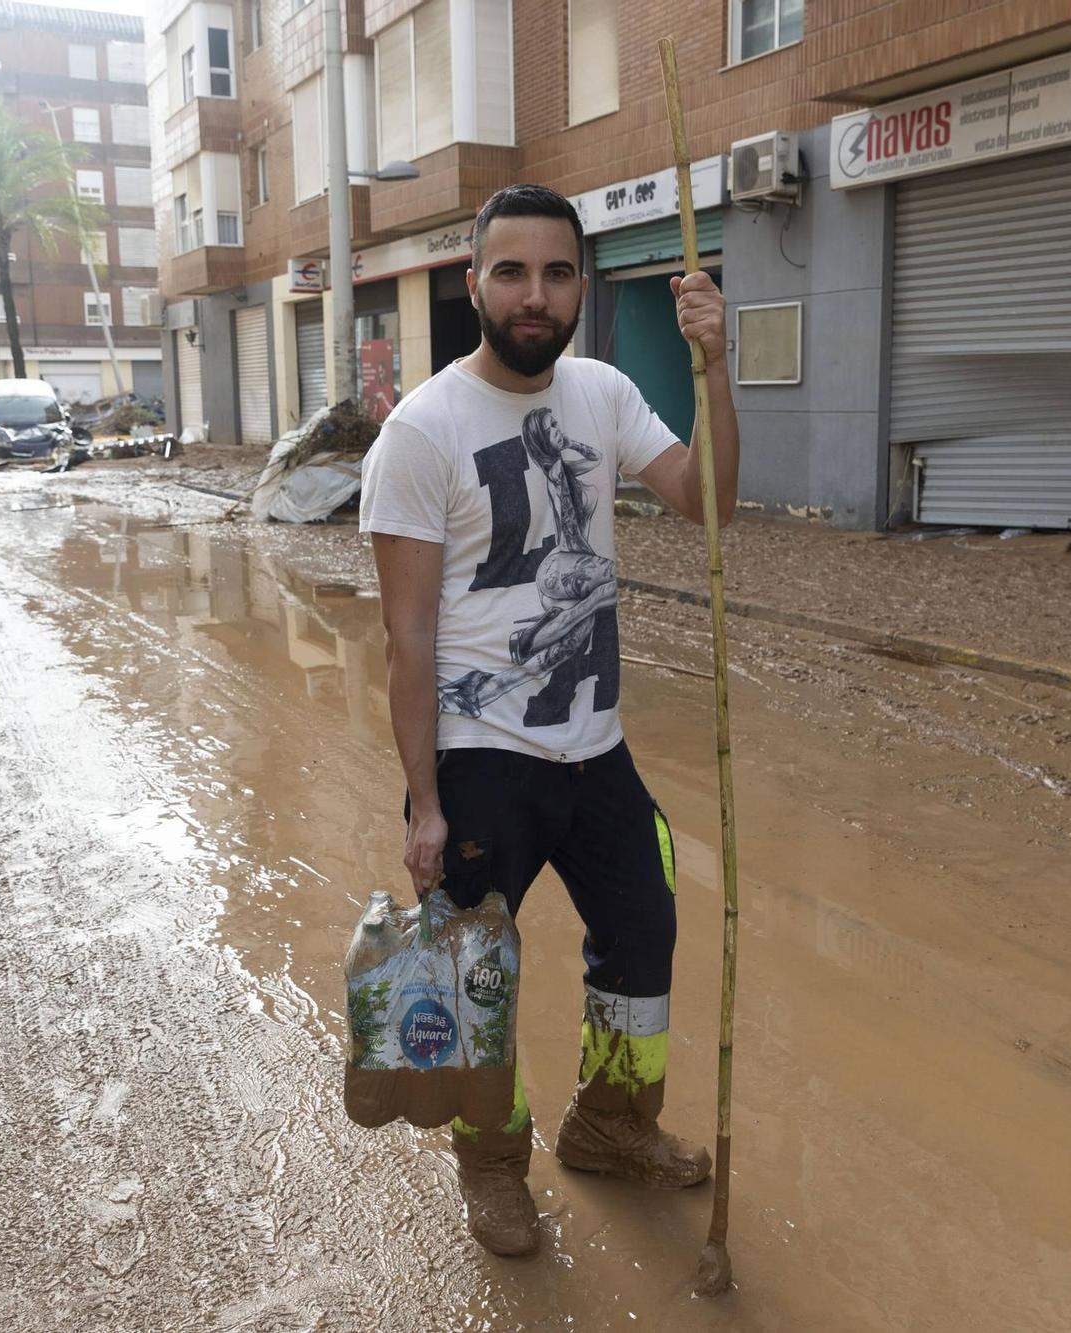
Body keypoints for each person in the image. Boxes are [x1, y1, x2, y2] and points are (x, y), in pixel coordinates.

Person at [359, 185, 738, 1257]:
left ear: (580, 285)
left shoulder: (603, 393)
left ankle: (610, 1124)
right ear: (474, 282)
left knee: (645, 928)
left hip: (596, 746)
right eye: (512, 271)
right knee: (476, 969)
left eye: (558, 273)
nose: (536, 294)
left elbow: (707, 498)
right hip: (480, 755)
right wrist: (424, 804)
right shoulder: (421, 430)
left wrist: (714, 366)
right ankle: (491, 1162)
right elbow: (407, 637)